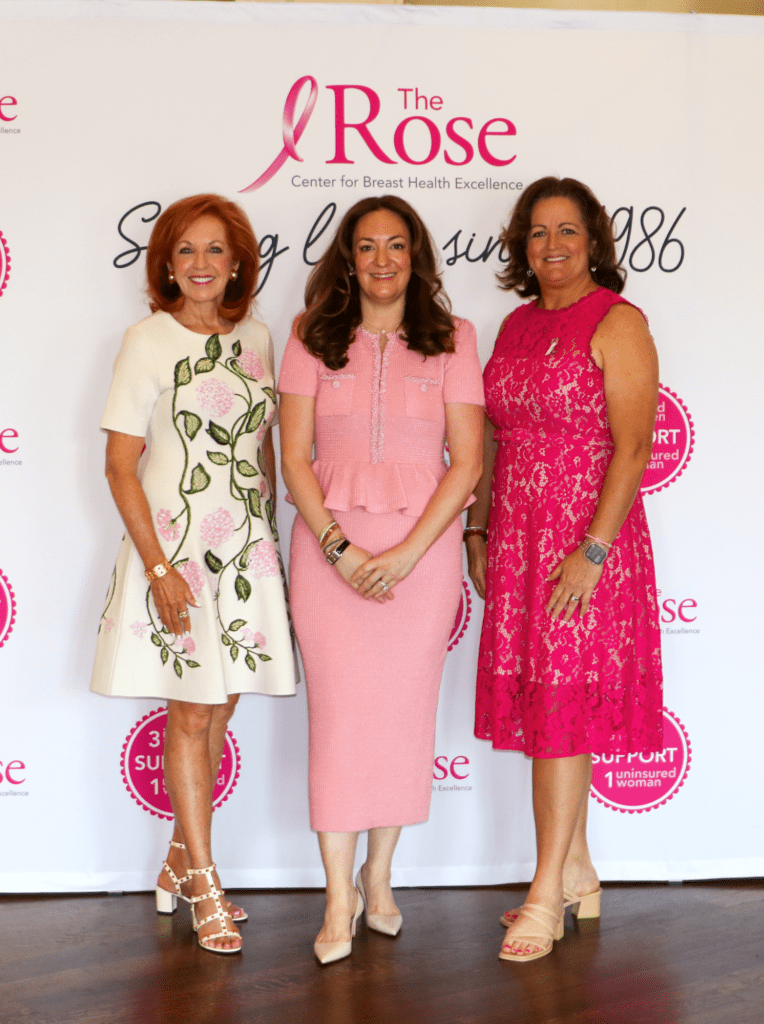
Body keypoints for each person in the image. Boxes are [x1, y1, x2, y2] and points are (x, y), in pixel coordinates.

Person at [278, 195, 484, 964]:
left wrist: (403, 555)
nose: (382, 260)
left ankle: (380, 878)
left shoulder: (454, 338)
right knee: (337, 722)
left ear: (415, 256)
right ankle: (336, 897)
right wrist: (338, 549)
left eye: (396, 246)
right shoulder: (308, 336)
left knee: (400, 719)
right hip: (329, 557)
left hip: (419, 558)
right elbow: (292, 455)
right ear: (348, 258)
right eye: (367, 247)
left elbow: (466, 459)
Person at [91, 194, 296, 954]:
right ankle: (205, 880)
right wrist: (157, 567)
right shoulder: (145, 340)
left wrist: (269, 540)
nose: (202, 264)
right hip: (172, 553)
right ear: (166, 264)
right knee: (189, 713)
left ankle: (179, 856)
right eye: (186, 251)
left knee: (222, 705)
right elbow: (119, 466)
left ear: (238, 261)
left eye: (216, 250)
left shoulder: (259, 337)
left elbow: (264, 450)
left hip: (244, 554)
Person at [467, 177, 663, 963]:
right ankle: (578, 871)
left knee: (560, 718)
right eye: (537, 233)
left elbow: (635, 447)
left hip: (584, 543)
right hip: (516, 535)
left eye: (567, 232)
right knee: (551, 710)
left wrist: (590, 552)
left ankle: (544, 892)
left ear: (593, 243)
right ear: (521, 245)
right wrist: (479, 529)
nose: (551, 247)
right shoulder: (512, 325)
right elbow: (488, 435)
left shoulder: (618, 321)